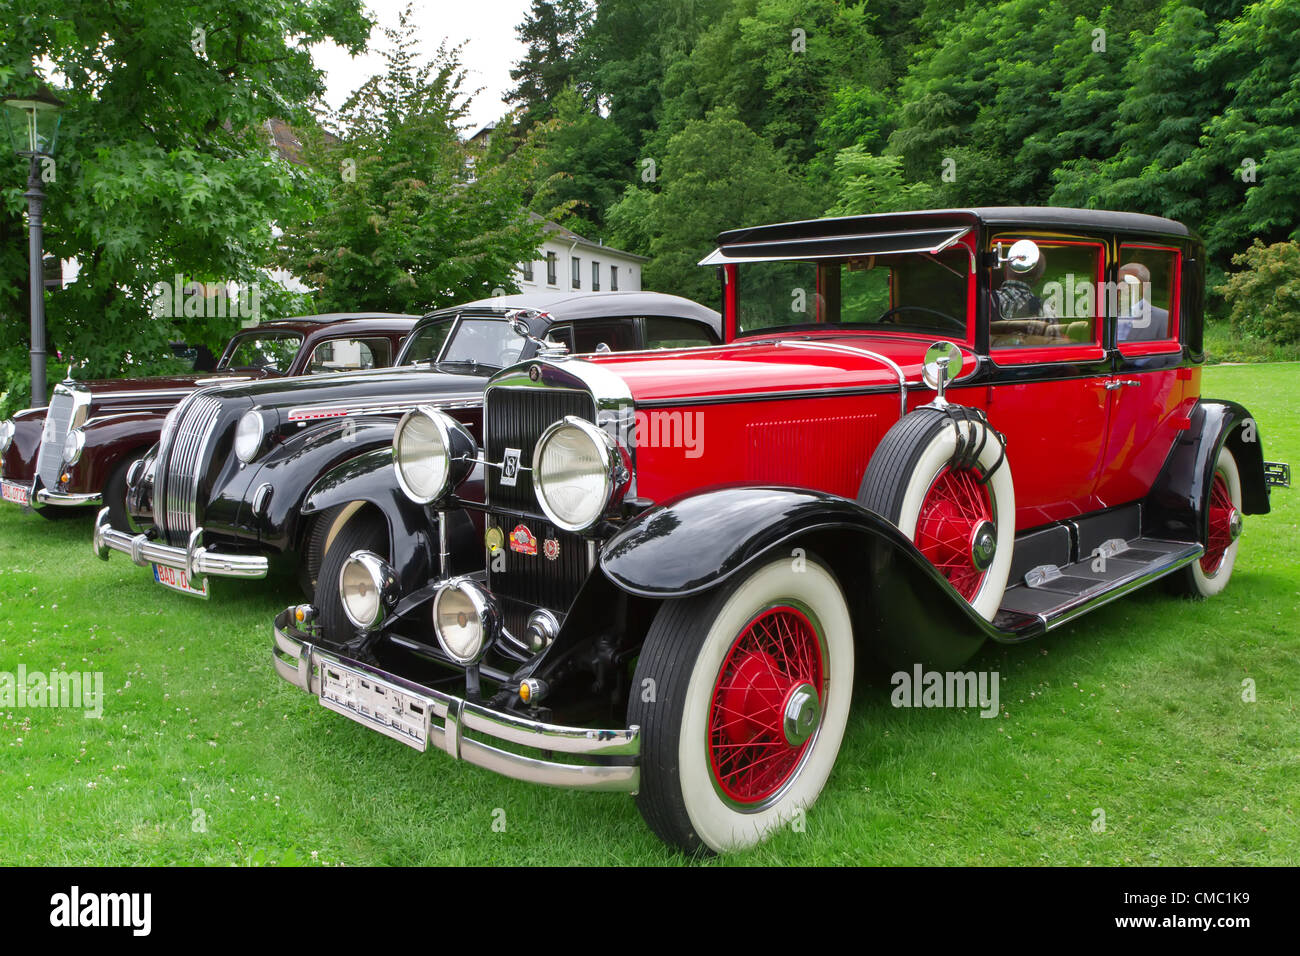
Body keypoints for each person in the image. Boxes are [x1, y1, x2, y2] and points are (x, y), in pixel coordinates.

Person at [1116, 262, 1169, 342]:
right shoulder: (1104, 314)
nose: (1118, 287)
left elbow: (1166, 352)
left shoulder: (1163, 318)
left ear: (1144, 287)